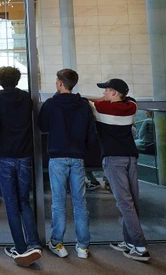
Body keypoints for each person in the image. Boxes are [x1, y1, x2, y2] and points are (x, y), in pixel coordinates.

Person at [89, 78, 150, 262]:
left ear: (114, 93)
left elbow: (89, 102)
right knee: (132, 200)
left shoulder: (101, 108)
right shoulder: (131, 107)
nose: (104, 94)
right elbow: (127, 100)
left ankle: (140, 247)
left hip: (113, 159)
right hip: (131, 156)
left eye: (107, 90)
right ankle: (129, 241)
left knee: (124, 202)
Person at [39, 68, 94, 259]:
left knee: (59, 202)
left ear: (60, 83)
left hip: (57, 157)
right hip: (77, 157)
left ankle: (57, 243)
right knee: (80, 202)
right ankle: (83, 246)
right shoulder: (84, 105)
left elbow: (42, 126)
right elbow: (90, 133)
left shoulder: (51, 104)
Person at [0, 67, 42, 266]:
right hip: (24, 156)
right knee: (24, 201)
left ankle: (20, 248)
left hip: (5, 155)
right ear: (17, 80)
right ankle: (34, 243)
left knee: (11, 203)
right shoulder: (27, 99)